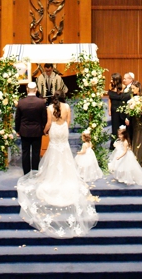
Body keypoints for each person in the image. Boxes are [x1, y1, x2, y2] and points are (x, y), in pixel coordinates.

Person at [17, 94, 99, 238]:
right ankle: (66, 176)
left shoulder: (49, 107)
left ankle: (52, 176)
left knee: (53, 151)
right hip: (63, 131)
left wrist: (45, 131)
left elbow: (48, 123)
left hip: (55, 129)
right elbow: (68, 121)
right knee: (64, 151)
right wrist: (63, 130)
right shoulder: (67, 107)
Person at [14, 81, 48, 174]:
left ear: (27, 90)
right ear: (36, 90)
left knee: (25, 152)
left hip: (24, 131)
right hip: (37, 131)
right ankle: (35, 172)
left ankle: (26, 173)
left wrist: (17, 130)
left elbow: (17, 118)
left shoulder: (21, 102)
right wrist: (43, 129)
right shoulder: (41, 102)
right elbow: (44, 118)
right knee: (36, 153)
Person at [107, 73, 129, 143]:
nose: (110, 81)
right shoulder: (110, 86)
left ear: (117, 80)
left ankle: (123, 142)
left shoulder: (123, 87)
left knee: (121, 127)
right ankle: (114, 143)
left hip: (121, 111)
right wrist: (109, 110)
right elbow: (109, 99)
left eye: (112, 79)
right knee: (114, 127)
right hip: (114, 110)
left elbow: (125, 100)